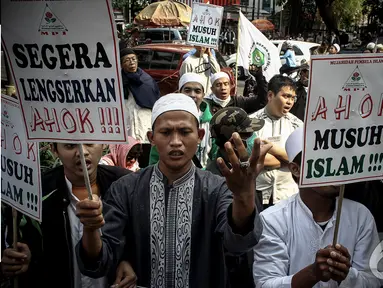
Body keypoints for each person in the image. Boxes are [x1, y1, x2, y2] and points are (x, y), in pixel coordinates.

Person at [75, 93, 272, 288]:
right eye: (166, 132)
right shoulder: (125, 189)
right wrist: (91, 229)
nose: (176, 141)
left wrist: (243, 195)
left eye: (185, 132)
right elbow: (99, 262)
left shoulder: (217, 188)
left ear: (199, 136)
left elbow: (238, 244)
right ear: (151, 138)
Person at [253, 127, 382, 287]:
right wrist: (312, 274)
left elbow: (374, 281)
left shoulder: (360, 216)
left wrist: (346, 274)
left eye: (337, 160)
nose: (333, 169)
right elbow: (265, 283)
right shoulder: (273, 220)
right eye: (323, 160)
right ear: (295, 169)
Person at [1, 143, 134, 288]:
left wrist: (128, 260)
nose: (82, 152)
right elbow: (19, 242)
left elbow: (139, 237)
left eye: (89, 143)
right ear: (54, 150)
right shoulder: (36, 192)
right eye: (70, 146)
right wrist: (22, 259)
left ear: (103, 144)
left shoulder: (126, 184)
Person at [250, 75, 303, 207]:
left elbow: (301, 160)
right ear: (270, 95)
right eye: (285, 96)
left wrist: (272, 148)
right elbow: (252, 158)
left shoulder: (297, 125)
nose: (290, 102)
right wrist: (287, 160)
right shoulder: (251, 122)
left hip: (287, 194)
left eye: (292, 98)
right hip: (258, 193)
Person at [149, 73, 214, 168]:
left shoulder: (211, 123)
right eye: (187, 90)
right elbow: (155, 158)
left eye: (197, 91)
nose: (192, 95)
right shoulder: (166, 118)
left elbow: (216, 155)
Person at [120, 48, 161, 167]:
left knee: (145, 157)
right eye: (127, 60)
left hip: (144, 123)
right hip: (127, 123)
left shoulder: (146, 80)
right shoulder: (118, 81)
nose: (131, 62)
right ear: (122, 64)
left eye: (133, 59)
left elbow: (155, 102)